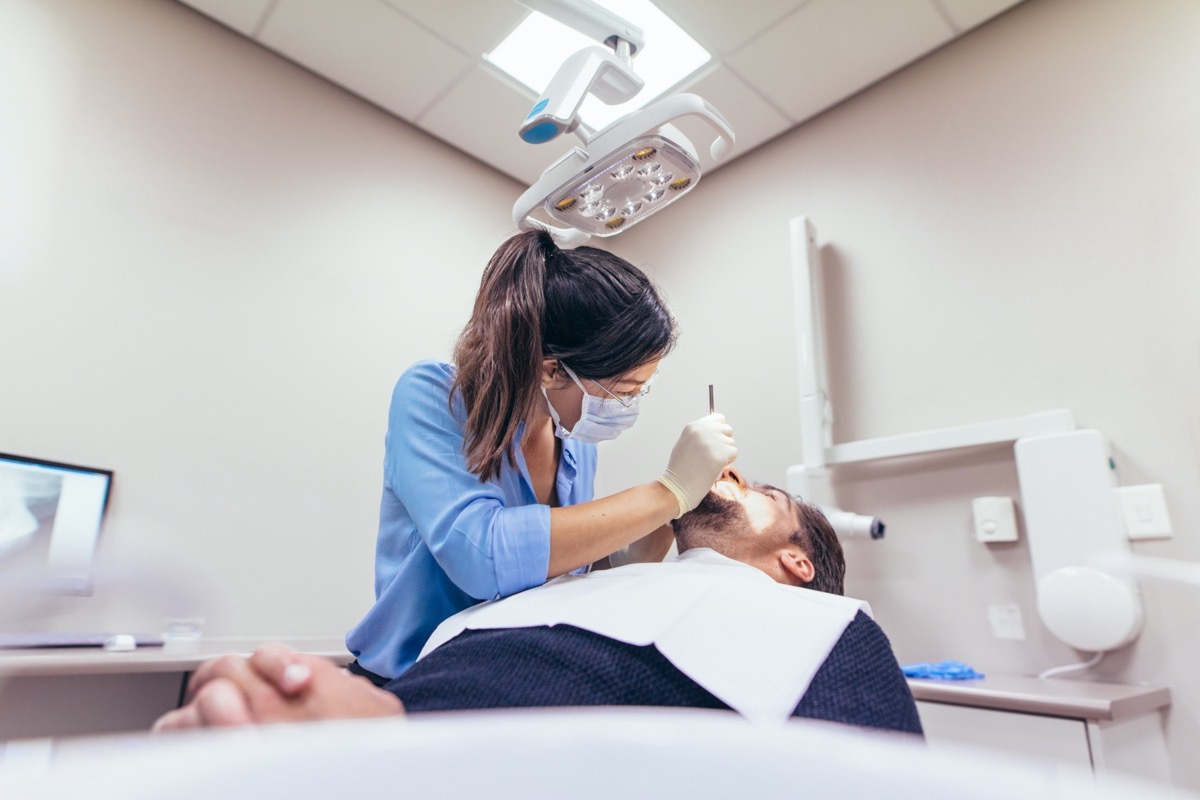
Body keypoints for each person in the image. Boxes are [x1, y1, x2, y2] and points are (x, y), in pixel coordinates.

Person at [154, 468, 922, 736]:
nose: (737, 483)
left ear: (797, 559)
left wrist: (398, 743)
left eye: (763, 495)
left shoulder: (823, 624)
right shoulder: (600, 586)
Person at [346, 229, 738, 683]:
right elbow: (485, 556)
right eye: (625, 390)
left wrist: (670, 518)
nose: (629, 404)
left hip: (509, 675)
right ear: (550, 370)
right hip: (412, 677)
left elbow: (569, 571)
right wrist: (669, 491)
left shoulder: (573, 439)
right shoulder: (434, 396)